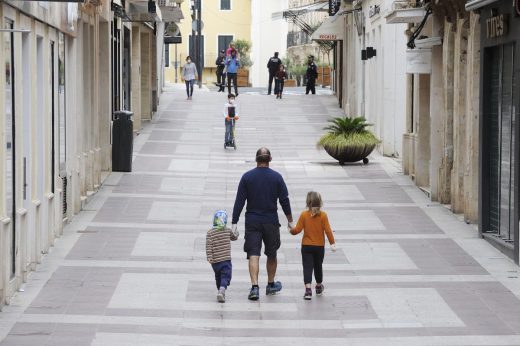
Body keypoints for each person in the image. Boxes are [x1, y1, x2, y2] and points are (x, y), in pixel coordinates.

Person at [232, 147, 293, 301]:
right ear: (270, 159)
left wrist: (234, 223)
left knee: (253, 253)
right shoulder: (277, 178)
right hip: (270, 221)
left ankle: (254, 287)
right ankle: (271, 284)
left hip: (252, 221)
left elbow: (239, 202)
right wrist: (290, 221)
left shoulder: (247, 177)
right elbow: (284, 200)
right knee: (272, 253)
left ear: (256, 159)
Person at [289, 191, 336, 300]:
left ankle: (308, 290)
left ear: (308, 202)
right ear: (320, 202)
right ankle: (318, 286)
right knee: (318, 266)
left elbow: (297, 230)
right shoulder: (323, 215)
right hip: (319, 247)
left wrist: (291, 230)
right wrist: (332, 243)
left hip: (306, 246)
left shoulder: (304, 215)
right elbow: (328, 231)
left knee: (307, 267)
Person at [206, 210, 239, 303]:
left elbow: (208, 246)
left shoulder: (210, 233)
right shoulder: (227, 230)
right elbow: (234, 237)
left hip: (215, 261)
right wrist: (236, 233)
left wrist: (209, 256)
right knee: (226, 275)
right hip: (225, 260)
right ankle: (222, 289)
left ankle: (220, 290)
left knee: (218, 276)